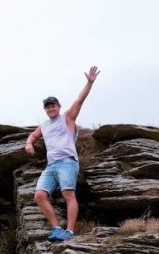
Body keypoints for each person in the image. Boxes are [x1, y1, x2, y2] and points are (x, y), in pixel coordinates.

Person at [24, 66, 101, 242]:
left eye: (53, 105)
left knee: (68, 195)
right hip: (51, 165)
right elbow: (34, 135)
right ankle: (57, 229)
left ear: (58, 106)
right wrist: (29, 143)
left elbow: (79, 100)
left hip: (67, 162)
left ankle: (70, 232)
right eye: (47, 106)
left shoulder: (67, 118)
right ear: (45, 109)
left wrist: (89, 83)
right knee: (39, 195)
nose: (50, 108)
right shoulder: (44, 125)